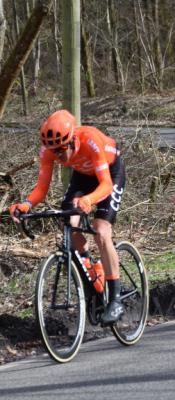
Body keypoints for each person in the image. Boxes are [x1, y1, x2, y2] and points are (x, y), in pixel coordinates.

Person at [9, 110, 125, 324]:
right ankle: (92, 268)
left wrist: (89, 201)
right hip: (82, 176)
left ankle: (116, 298)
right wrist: (25, 205)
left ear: (72, 140)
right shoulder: (49, 151)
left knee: (101, 230)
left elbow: (106, 185)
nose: (59, 156)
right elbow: (41, 189)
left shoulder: (90, 140)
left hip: (110, 173)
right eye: (54, 151)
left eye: (62, 150)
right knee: (70, 224)